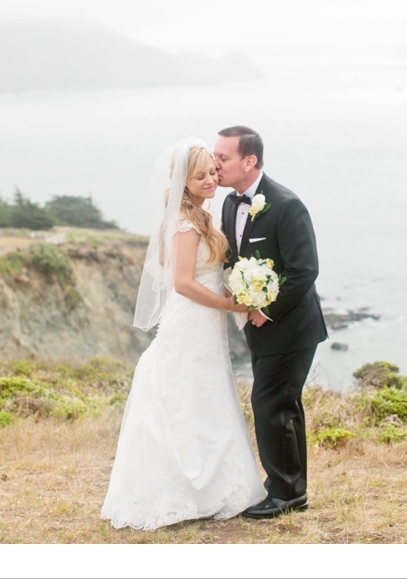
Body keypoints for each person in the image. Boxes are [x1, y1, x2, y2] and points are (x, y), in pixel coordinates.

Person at [100, 137, 266, 530]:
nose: (211, 179)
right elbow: (183, 283)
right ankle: (185, 489)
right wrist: (230, 305)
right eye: (201, 176)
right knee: (185, 395)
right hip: (191, 319)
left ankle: (213, 484)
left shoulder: (201, 215)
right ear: (183, 182)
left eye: (212, 171)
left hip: (205, 322)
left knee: (206, 394)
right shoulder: (186, 223)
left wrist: (234, 289)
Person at [215, 126, 328, 519]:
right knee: (278, 405)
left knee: (271, 404)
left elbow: (304, 271)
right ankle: (287, 488)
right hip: (257, 327)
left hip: (291, 327)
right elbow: (235, 259)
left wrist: (265, 310)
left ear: (250, 161)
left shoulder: (286, 204)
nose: (216, 164)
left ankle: (287, 494)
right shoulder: (230, 204)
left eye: (223, 157)